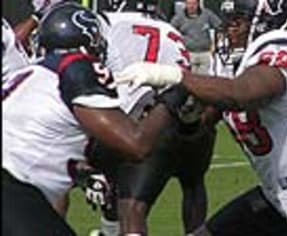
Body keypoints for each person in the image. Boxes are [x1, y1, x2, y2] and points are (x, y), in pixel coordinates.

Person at [113, 0, 287, 235]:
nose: (230, 29)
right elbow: (202, 122)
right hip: (280, 198)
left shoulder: (286, 45)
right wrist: (183, 114)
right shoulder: (230, 61)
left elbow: (244, 95)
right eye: (228, 20)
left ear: (266, 21)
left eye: (238, 21)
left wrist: (175, 76)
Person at [2, 2, 190, 235]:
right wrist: (174, 94)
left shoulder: (29, 75)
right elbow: (136, 144)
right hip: (14, 193)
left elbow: (34, 141)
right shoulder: (76, 68)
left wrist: (82, 172)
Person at [84, 1, 217, 235]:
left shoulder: (107, 23)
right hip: (185, 117)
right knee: (193, 184)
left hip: (143, 120)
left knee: (131, 206)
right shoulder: (170, 30)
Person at [170, 0, 222, 75]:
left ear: (198, 4)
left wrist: (216, 44)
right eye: (189, 3)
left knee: (203, 80)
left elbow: (219, 27)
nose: (191, 6)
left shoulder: (207, 14)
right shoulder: (179, 17)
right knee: (190, 80)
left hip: (205, 53)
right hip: (188, 54)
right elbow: (171, 31)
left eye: (194, 3)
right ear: (185, 4)